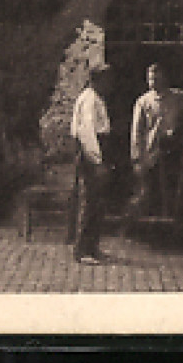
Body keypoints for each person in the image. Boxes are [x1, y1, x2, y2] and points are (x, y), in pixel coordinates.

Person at [129, 63, 183, 219]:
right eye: (150, 79)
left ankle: (172, 219)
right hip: (152, 151)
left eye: (157, 78)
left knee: (172, 187)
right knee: (150, 188)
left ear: (165, 78)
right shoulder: (143, 102)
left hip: (174, 150)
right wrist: (136, 157)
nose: (153, 82)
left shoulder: (178, 98)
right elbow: (137, 131)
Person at [71, 64, 116, 264]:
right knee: (89, 202)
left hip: (100, 149)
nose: (110, 84)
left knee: (97, 203)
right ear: (97, 80)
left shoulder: (96, 98)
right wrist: (97, 160)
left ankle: (92, 246)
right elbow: (86, 131)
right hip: (91, 153)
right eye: (107, 80)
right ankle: (82, 250)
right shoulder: (89, 99)